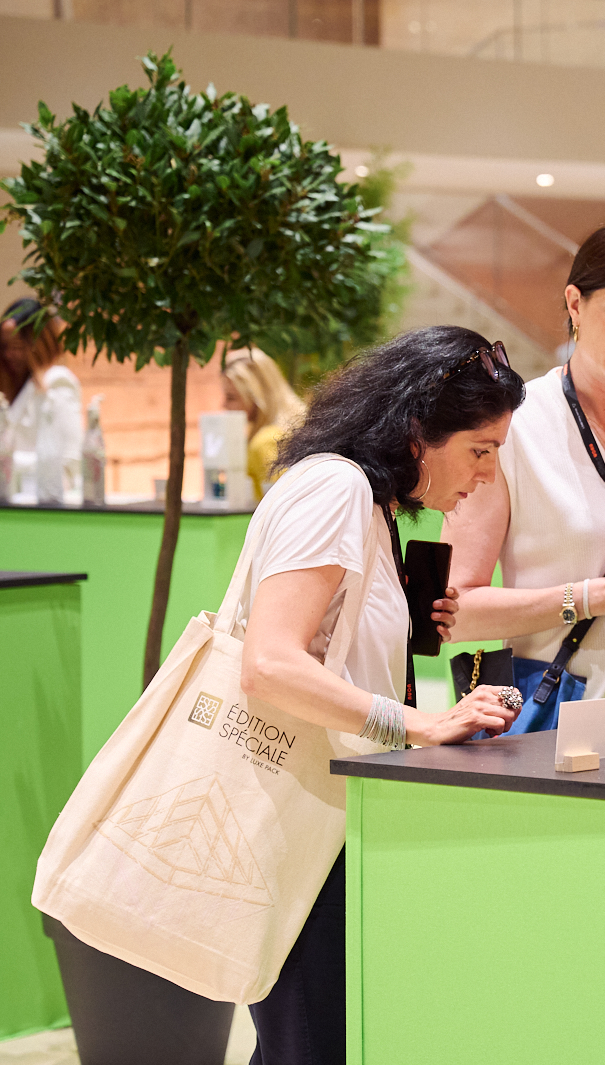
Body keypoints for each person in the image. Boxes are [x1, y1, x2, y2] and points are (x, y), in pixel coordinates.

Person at [238, 326, 526, 1064]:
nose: (487, 476)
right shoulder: (336, 488)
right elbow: (268, 661)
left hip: (328, 829)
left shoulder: (369, 504)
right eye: (480, 449)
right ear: (415, 431)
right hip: (302, 832)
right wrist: (418, 724)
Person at [438, 218, 605, 725]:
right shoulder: (514, 428)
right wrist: (595, 597)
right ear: (575, 304)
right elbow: (456, 613)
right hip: (561, 713)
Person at [0, 298, 83, 493]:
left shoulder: (58, 384)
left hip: (41, 510)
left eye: (18, 347)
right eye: (4, 347)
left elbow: (69, 463)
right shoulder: (16, 392)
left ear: (40, 344)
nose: (9, 355)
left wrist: (2, 461)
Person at [221, 349, 308, 501]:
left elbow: (282, 503)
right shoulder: (295, 427)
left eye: (231, 397)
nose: (224, 405)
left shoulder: (266, 441)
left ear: (255, 394)